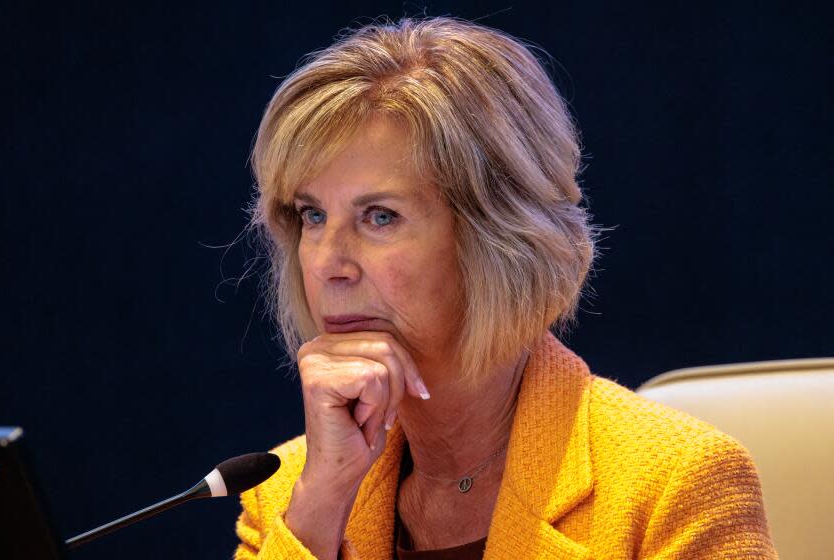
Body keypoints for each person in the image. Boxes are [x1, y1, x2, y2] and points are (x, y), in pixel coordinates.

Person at [233, 16, 777, 560]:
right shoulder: (286, 498)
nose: (329, 263)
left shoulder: (673, 488)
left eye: (379, 217)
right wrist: (321, 502)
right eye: (312, 215)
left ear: (497, 239)